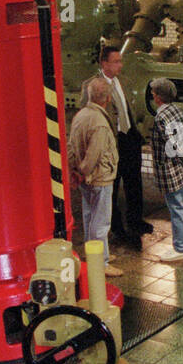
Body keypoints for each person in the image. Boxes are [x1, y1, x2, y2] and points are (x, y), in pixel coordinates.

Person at [80, 46, 152, 250]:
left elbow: (129, 108)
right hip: (112, 142)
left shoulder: (124, 82)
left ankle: (136, 221)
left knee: (134, 181)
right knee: (112, 186)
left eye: (121, 61)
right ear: (104, 64)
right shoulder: (92, 86)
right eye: (116, 61)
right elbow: (88, 114)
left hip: (129, 137)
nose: (120, 65)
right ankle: (118, 228)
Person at [67, 79, 123, 277]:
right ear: (107, 98)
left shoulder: (81, 115)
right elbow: (94, 154)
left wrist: (73, 171)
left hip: (86, 179)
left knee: (90, 217)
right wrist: (83, 171)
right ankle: (102, 263)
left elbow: (71, 146)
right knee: (101, 223)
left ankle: (97, 254)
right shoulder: (100, 123)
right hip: (99, 178)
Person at [148, 77, 183, 262]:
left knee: (176, 207)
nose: (152, 95)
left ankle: (180, 247)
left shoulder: (161, 117)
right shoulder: (178, 110)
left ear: (158, 97)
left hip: (171, 169)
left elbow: (172, 145)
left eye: (153, 93)